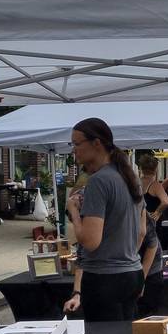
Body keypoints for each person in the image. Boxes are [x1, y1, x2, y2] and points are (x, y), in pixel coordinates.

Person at [64, 117, 146, 321]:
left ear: (96, 143)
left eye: (76, 144)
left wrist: (73, 210)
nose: (74, 150)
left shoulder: (99, 181)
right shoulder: (129, 177)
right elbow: (142, 231)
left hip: (105, 279)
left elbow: (90, 242)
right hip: (132, 272)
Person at [136, 213, 164, 318]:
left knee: (145, 317)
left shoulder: (139, 210)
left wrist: (141, 280)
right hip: (130, 268)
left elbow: (152, 244)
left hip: (149, 269)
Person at [139, 154, 168, 222]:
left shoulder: (136, 182)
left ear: (141, 168)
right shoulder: (155, 185)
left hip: (139, 219)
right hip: (151, 221)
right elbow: (165, 201)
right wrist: (157, 212)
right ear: (155, 169)